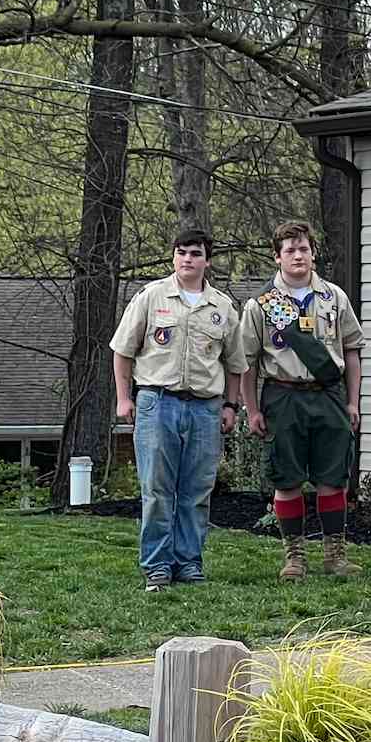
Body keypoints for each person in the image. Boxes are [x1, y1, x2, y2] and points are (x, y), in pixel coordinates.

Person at [109, 229, 246, 592]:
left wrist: (231, 406)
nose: (188, 259)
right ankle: (156, 566)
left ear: (207, 260)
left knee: (196, 491)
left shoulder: (222, 307)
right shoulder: (151, 297)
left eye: (196, 253)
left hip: (204, 408)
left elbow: (236, 364)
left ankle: (189, 563)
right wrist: (125, 399)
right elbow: (122, 350)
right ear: (173, 257)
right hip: (157, 402)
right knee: (156, 489)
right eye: (182, 252)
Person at [239, 220, 366, 580]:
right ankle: (294, 557)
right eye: (290, 250)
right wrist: (252, 409)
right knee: (286, 477)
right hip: (283, 396)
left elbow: (353, 351)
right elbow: (247, 362)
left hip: (328, 395)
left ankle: (335, 555)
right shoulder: (262, 305)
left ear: (313, 253)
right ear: (277, 257)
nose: (298, 255)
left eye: (304, 249)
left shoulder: (334, 298)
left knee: (333, 476)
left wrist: (353, 401)